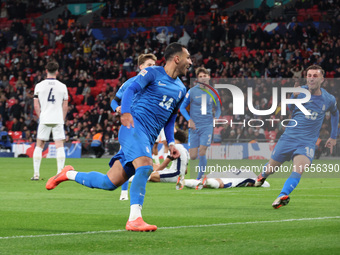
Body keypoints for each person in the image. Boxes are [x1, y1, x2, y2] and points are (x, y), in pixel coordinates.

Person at [45, 43, 192, 232]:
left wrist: (171, 142)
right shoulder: (152, 73)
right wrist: (125, 113)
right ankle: (134, 219)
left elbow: (170, 119)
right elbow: (129, 91)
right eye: (187, 57)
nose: (190, 62)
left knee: (109, 182)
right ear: (177, 58)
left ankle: (68, 174)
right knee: (146, 166)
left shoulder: (181, 88)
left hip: (146, 137)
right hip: (133, 128)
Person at [255, 65, 339, 209]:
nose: (311, 78)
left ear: (322, 79)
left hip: (306, 142)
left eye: (315, 76)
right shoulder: (300, 92)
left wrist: (333, 136)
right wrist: (293, 97)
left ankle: (283, 195)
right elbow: (291, 110)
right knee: (270, 169)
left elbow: (335, 114)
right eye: (309, 75)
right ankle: (262, 177)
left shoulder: (328, 99)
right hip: (288, 138)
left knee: (299, 169)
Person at [110, 53, 157, 201]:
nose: (153, 68)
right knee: (129, 159)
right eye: (149, 65)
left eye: (154, 65)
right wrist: (118, 109)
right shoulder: (131, 82)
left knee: (144, 161)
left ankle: (133, 193)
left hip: (149, 127)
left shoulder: (157, 83)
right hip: (132, 125)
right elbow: (114, 101)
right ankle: (124, 192)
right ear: (141, 67)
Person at [179, 67, 221, 180]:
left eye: (205, 76)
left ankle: (199, 178)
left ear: (209, 77)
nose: (203, 78)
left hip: (207, 125)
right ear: (197, 78)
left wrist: (216, 118)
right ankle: (187, 171)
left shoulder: (214, 92)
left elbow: (218, 109)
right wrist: (189, 120)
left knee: (202, 151)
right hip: (194, 127)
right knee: (192, 156)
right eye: (200, 76)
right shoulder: (192, 91)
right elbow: (182, 107)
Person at [32, 61, 68, 180]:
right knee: (59, 145)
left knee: (39, 145)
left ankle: (36, 174)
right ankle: (59, 173)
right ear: (57, 72)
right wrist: (62, 119)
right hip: (57, 118)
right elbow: (65, 105)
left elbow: (36, 105)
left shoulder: (39, 86)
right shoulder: (62, 86)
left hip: (45, 118)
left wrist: (40, 116)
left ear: (46, 71)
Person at [182, 169, 270, 190]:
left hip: (220, 173)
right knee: (220, 184)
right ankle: (207, 181)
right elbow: (266, 184)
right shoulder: (250, 176)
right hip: (229, 179)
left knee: (201, 184)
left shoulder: (243, 171)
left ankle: (184, 182)